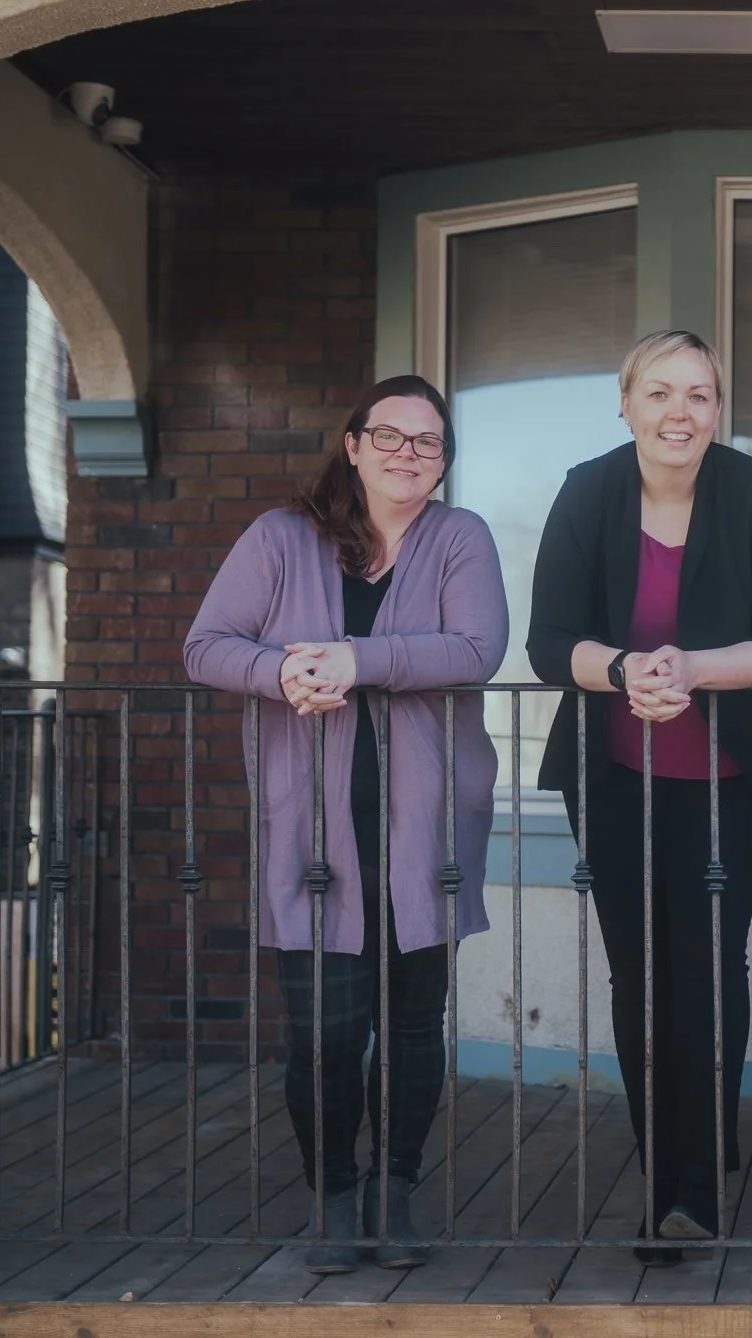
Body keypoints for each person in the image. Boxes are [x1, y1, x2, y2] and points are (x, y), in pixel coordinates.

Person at [185, 375, 509, 1272]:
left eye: (430, 442)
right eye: (393, 436)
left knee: (411, 1027)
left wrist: (353, 659)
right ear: (354, 443)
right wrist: (278, 675)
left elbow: (479, 648)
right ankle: (332, 1193)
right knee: (323, 1032)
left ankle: (393, 1192)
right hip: (313, 832)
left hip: (428, 828)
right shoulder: (283, 538)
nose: (411, 454)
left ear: (444, 461)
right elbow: (207, 643)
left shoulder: (460, 538)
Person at [526, 329, 752, 1263]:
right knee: (638, 975)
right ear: (626, 403)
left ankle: (691, 1185)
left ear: (717, 409)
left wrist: (690, 667)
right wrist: (621, 670)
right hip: (614, 778)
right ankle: (671, 1160)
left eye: (698, 394)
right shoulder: (587, 490)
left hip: (727, 784)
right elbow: (548, 641)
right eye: (659, 392)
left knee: (708, 971)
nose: (679, 412)